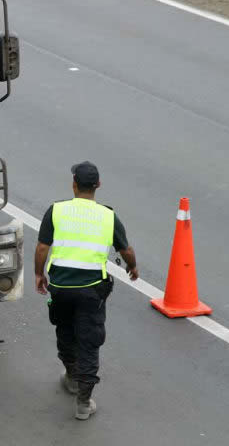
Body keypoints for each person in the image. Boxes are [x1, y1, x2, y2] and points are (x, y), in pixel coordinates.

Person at [34, 161, 136, 421]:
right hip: (92, 289)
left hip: (61, 286)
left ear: (74, 185)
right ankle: (83, 402)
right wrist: (133, 268)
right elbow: (125, 251)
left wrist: (39, 274)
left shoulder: (56, 211)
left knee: (65, 331)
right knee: (89, 342)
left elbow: (42, 249)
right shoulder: (108, 216)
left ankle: (71, 377)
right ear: (98, 185)